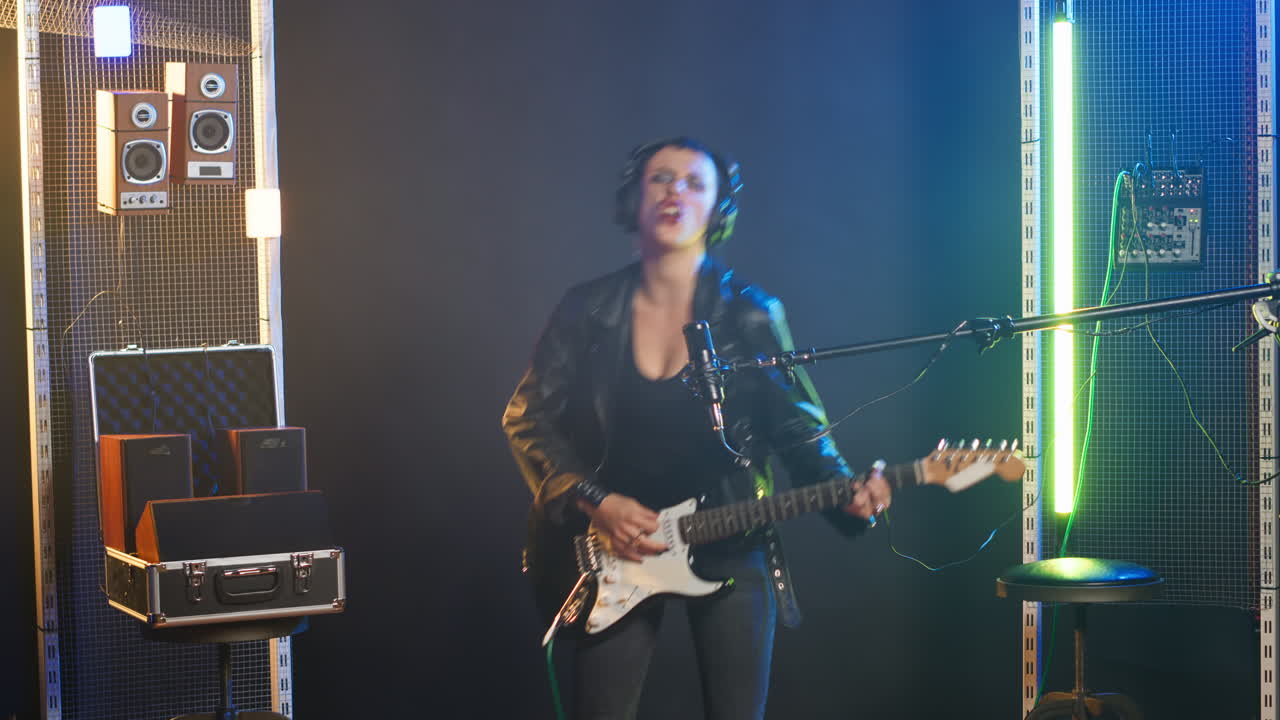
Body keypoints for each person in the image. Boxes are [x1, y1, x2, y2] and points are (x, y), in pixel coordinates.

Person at [502, 136, 892, 720]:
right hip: (609, 546)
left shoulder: (751, 314)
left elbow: (798, 429)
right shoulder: (587, 309)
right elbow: (527, 419)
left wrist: (849, 492)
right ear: (634, 196)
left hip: (730, 537)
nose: (674, 192)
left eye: (693, 182)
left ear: (718, 209)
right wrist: (595, 501)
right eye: (661, 178)